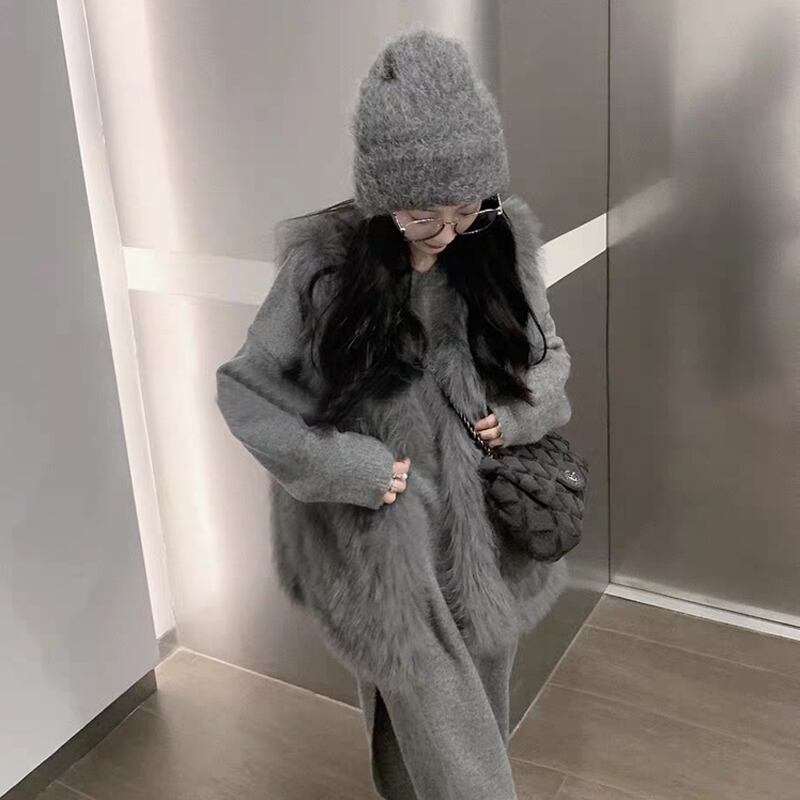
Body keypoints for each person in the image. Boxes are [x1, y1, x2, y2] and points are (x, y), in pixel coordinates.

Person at [215, 25, 572, 800]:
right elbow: (245, 389)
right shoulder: (324, 264)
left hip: (487, 524)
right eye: (421, 216)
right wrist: (353, 467)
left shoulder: (500, 242)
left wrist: (520, 419)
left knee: (467, 716)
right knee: (446, 727)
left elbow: (552, 363)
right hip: (381, 533)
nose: (447, 233)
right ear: (381, 201)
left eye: (464, 208)